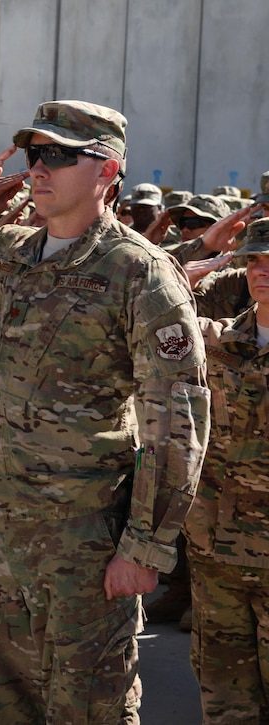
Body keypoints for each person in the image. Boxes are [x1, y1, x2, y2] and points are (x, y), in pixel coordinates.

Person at [0, 100, 211, 722]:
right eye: (35, 154)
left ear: (107, 169)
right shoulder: (3, 255)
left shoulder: (139, 272)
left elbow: (177, 422)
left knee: (88, 708)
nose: (41, 168)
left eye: (60, 155)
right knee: (6, 706)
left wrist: (145, 546)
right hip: (0, 533)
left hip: (84, 540)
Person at [185, 218, 269, 723]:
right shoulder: (216, 339)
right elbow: (141, 307)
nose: (263, 271)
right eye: (255, 261)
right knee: (223, 699)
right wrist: (187, 273)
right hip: (217, 551)